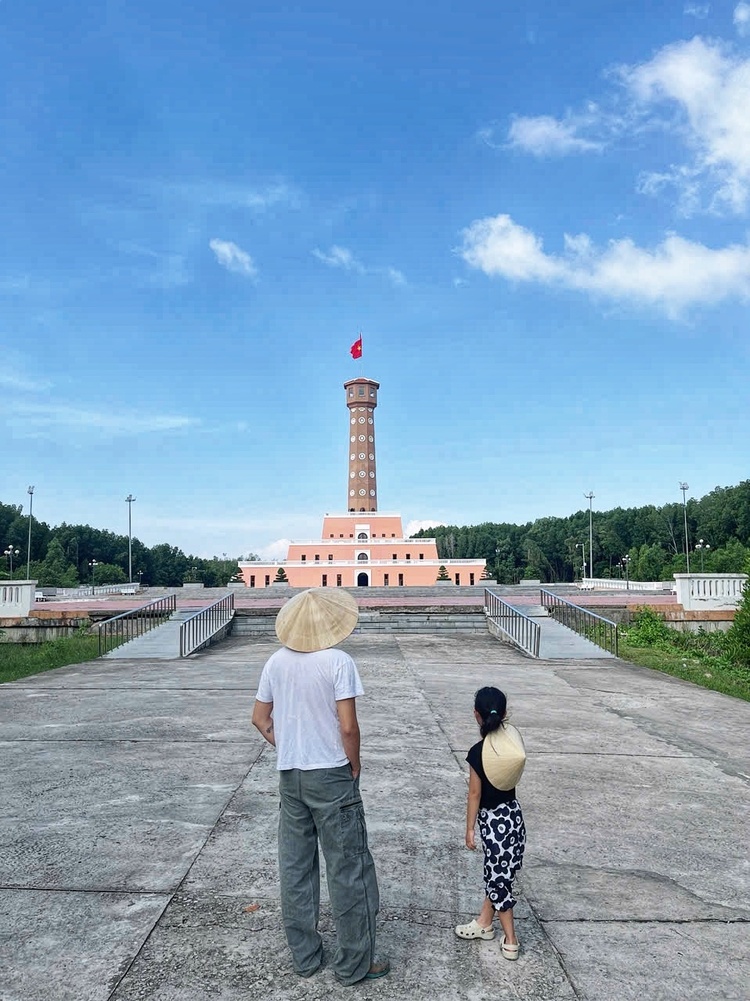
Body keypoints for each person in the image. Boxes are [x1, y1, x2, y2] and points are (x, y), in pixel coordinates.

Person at [251, 587, 389, 985]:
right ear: (330, 622)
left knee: (296, 868)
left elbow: (260, 719)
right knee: (349, 868)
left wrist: (289, 746)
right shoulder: (338, 661)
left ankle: (306, 958)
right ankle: (354, 964)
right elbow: (348, 725)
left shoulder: (276, 662)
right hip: (330, 773)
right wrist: (355, 764)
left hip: (290, 775)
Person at [455, 686, 526, 960]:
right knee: (502, 873)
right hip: (514, 817)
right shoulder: (512, 748)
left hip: (493, 823)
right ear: (505, 713)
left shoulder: (477, 753)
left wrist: (470, 828)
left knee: (499, 882)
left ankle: (511, 939)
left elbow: (475, 794)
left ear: (476, 715)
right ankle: (484, 923)